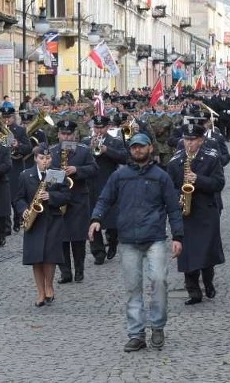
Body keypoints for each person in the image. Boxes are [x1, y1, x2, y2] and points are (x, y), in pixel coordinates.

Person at [89, 132, 183, 352]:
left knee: (159, 281)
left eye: (141, 147)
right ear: (130, 150)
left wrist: (178, 236)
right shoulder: (119, 176)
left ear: (150, 148)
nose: (137, 150)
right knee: (133, 288)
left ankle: (157, 327)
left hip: (155, 238)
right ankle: (136, 333)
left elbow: (173, 208)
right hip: (128, 239)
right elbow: (104, 198)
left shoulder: (161, 176)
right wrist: (96, 219)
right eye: (134, 147)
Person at [167, 124, 225, 305]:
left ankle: (208, 280)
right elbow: (169, 188)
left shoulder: (212, 158)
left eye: (192, 140)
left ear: (201, 140)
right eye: (186, 139)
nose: (188, 143)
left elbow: (219, 183)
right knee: (187, 252)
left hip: (206, 210)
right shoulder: (175, 161)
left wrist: (198, 180)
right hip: (185, 212)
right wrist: (177, 198)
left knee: (207, 251)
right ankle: (193, 291)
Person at [15, 144, 70, 307]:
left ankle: (49, 286)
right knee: (36, 258)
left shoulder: (58, 174)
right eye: (41, 158)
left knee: (49, 256)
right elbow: (18, 198)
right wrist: (23, 210)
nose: (45, 161)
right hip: (34, 221)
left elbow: (66, 196)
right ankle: (40, 292)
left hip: (52, 219)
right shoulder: (25, 175)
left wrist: (51, 196)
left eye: (48, 158)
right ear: (35, 158)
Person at [50, 120, 98, 282]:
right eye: (63, 134)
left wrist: (77, 170)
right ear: (58, 135)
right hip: (58, 199)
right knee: (60, 237)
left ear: (74, 135)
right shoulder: (52, 151)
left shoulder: (83, 151)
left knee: (77, 238)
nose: (66, 137)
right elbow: (46, 175)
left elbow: (94, 169)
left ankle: (79, 270)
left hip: (78, 199)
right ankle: (65, 273)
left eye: (69, 134)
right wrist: (60, 176)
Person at [82, 116, 128, 261]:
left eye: (101, 127)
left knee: (112, 219)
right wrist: (89, 149)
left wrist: (107, 150)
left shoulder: (115, 142)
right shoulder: (85, 142)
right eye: (96, 127)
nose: (99, 130)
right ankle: (98, 252)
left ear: (107, 127)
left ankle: (113, 241)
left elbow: (125, 158)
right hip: (90, 185)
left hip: (109, 184)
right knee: (91, 217)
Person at [0, 106, 32, 233]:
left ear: (14, 117)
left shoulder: (20, 130)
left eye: (9, 117)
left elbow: (28, 147)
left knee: (15, 196)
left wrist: (17, 145)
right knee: (4, 198)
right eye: (4, 117)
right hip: (3, 166)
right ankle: (7, 226)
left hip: (15, 166)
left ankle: (18, 219)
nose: (7, 120)